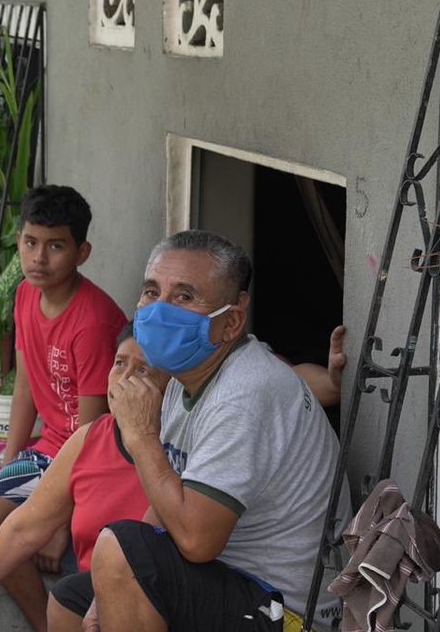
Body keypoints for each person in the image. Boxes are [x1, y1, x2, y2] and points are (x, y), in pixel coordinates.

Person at [56, 230, 344, 632]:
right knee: (72, 598)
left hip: (285, 609)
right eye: (152, 291)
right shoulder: (184, 379)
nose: (158, 310)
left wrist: (140, 437)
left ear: (230, 322)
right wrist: (104, 595)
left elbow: (195, 541)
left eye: (184, 297)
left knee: (120, 552)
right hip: (230, 579)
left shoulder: (245, 395)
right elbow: (164, 507)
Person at [0, 185, 127, 632]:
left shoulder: (93, 319)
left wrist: (61, 520)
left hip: (97, 459)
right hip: (51, 451)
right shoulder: (26, 295)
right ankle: (45, 625)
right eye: (30, 243)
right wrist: (4, 468)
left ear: (82, 252)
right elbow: (26, 382)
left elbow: (93, 432)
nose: (39, 259)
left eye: (56, 246)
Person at [0, 332, 163, 632]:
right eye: (120, 364)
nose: (125, 379)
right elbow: (22, 530)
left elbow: (157, 544)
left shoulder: (177, 451)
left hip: (150, 604)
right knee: (67, 596)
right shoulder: (89, 438)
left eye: (143, 370)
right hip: (91, 602)